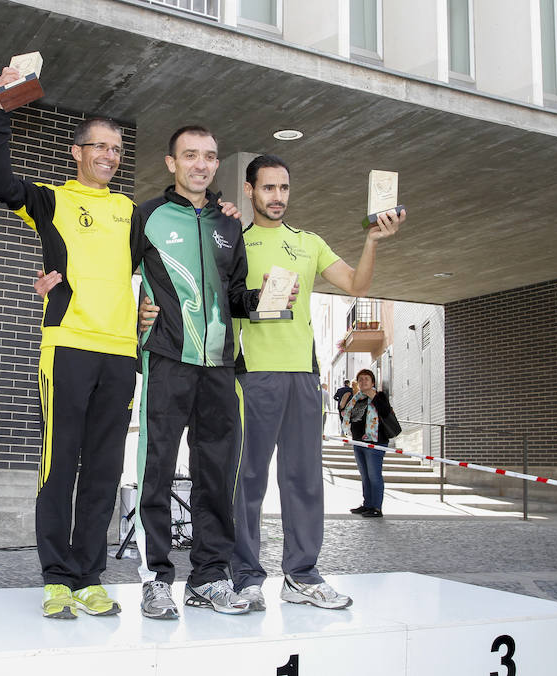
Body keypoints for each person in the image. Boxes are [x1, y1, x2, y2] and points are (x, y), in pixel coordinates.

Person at [140, 153, 403, 611]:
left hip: (303, 376)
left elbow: (357, 285)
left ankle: (302, 575)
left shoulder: (309, 242)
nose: (277, 196)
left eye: (283, 188)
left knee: (305, 481)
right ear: (249, 190)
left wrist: (372, 241)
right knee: (246, 483)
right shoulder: (231, 240)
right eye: (268, 188)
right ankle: (245, 577)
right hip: (249, 376)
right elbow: (209, 299)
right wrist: (145, 311)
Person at [0, 64, 138, 619]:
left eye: (117, 149)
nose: (109, 156)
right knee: (59, 465)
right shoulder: (51, 200)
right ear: (77, 152)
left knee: (103, 470)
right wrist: (2, 113)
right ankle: (56, 578)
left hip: (120, 353)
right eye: (100, 146)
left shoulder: (130, 212)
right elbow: (0, 182)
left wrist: (222, 211)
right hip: (68, 345)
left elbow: (166, 256)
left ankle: (89, 577)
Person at [134, 126, 275, 620]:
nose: (201, 164)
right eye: (190, 155)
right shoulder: (148, 215)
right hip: (167, 360)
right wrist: (134, 314)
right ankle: (155, 579)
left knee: (216, 475)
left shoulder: (229, 224)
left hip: (219, 368)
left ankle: (209, 577)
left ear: (217, 165)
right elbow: (117, 276)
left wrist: (261, 299)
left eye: (210, 157)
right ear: (171, 163)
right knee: (155, 470)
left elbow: (234, 295)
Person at [341, 369, 392, 517]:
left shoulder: (379, 396)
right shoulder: (357, 398)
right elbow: (351, 418)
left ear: (373, 382)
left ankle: (376, 507)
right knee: (365, 476)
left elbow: (385, 412)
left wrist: (373, 396)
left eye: (366, 379)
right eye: (360, 379)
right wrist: (342, 406)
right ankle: (367, 504)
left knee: (374, 476)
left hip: (375, 442)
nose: (363, 381)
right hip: (359, 442)